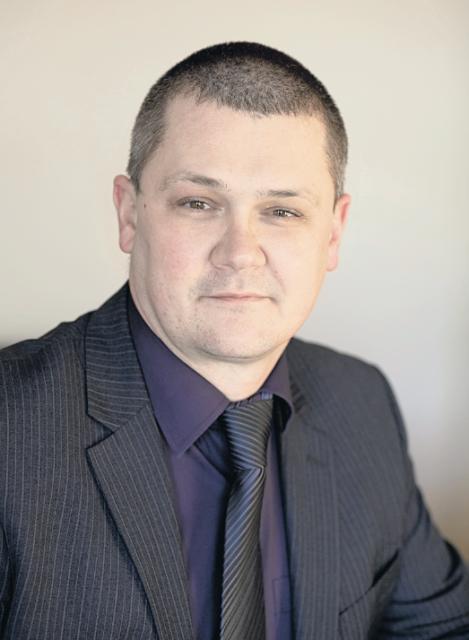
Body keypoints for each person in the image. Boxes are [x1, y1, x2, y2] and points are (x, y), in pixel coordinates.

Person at [0, 41, 468, 640]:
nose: (241, 254)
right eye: (198, 203)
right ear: (130, 214)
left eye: (282, 211)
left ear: (333, 233)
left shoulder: (362, 401)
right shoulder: (10, 429)